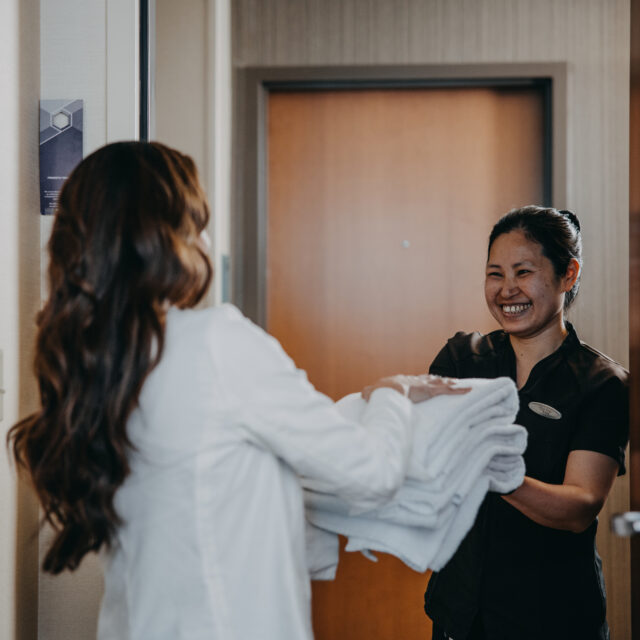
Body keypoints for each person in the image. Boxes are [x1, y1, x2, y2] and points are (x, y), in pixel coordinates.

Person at [7, 141, 467, 640]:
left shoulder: (97, 364)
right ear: (166, 237)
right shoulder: (213, 342)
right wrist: (392, 396)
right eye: (195, 224)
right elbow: (371, 471)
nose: (205, 241)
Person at [424, 206, 629, 640]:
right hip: (458, 612)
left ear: (568, 274)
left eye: (523, 272)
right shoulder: (463, 358)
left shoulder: (601, 384)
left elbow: (580, 505)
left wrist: (493, 471)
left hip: (552, 615)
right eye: (495, 273)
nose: (507, 289)